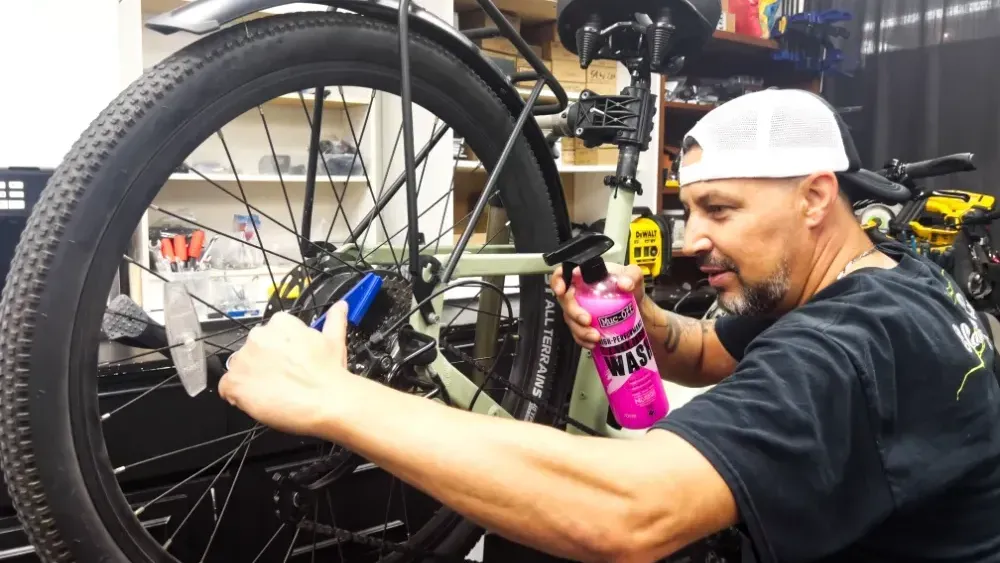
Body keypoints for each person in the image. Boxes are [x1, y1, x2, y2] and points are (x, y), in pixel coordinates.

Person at [218, 89, 1000, 562]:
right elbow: (715, 354)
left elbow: (632, 512)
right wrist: (650, 326)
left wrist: (332, 397)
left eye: (719, 209)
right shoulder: (891, 273)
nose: (690, 240)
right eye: (688, 208)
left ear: (814, 197)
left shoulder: (848, 347)